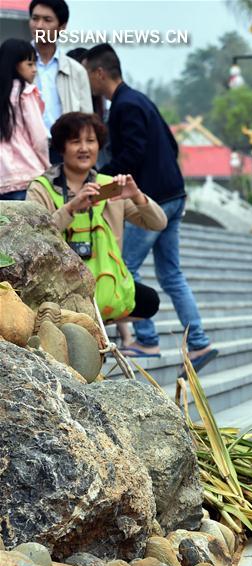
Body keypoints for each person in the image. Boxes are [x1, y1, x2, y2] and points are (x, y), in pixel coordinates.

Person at [82, 43, 217, 369]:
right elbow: (170, 144)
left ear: (99, 73)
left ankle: (146, 339)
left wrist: (98, 177)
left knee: (122, 266)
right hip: (173, 196)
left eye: (87, 74)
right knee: (171, 274)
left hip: (152, 201)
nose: (87, 82)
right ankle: (198, 343)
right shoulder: (140, 99)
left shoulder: (125, 107)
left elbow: (133, 154)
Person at [27, 112, 167, 325]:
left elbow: (158, 223)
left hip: (103, 279)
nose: (84, 148)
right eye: (75, 141)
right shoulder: (41, 187)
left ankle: (99, 322)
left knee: (149, 301)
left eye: (91, 141)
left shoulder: (110, 186)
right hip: (60, 283)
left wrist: (137, 196)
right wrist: (72, 208)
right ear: (61, 147)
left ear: (99, 146)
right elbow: (33, 239)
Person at [28, 0, 92, 156]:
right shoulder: (12, 65)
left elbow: (87, 120)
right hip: (25, 152)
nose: (39, 25)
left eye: (47, 20)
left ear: (62, 27)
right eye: (35, 18)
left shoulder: (76, 71)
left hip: (64, 152)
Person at [0, 39, 49, 200]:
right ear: (15, 65)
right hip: (27, 176)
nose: (35, 70)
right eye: (30, 64)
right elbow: (39, 138)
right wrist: (47, 168)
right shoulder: (25, 93)